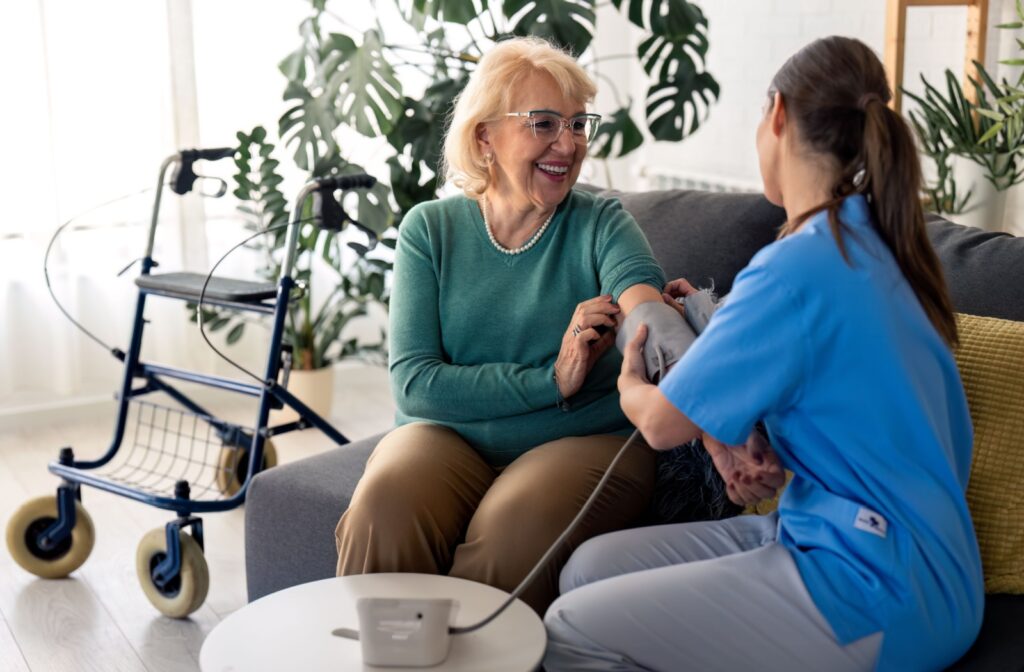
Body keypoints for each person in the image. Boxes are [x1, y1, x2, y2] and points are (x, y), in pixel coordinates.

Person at [543, 36, 984, 671]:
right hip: (894, 557)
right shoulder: (881, 246)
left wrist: (630, 381)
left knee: (570, 625)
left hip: (877, 587)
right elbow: (828, 393)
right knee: (587, 569)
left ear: (776, 115)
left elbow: (664, 424)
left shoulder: (797, 268)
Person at [334, 36, 674, 615]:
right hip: (446, 437)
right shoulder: (430, 231)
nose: (567, 144)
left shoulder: (601, 223)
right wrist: (552, 380)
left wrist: (713, 408)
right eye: (543, 123)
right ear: (484, 136)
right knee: (383, 507)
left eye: (576, 124)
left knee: (511, 529)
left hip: (582, 440)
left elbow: (647, 311)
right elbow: (415, 384)